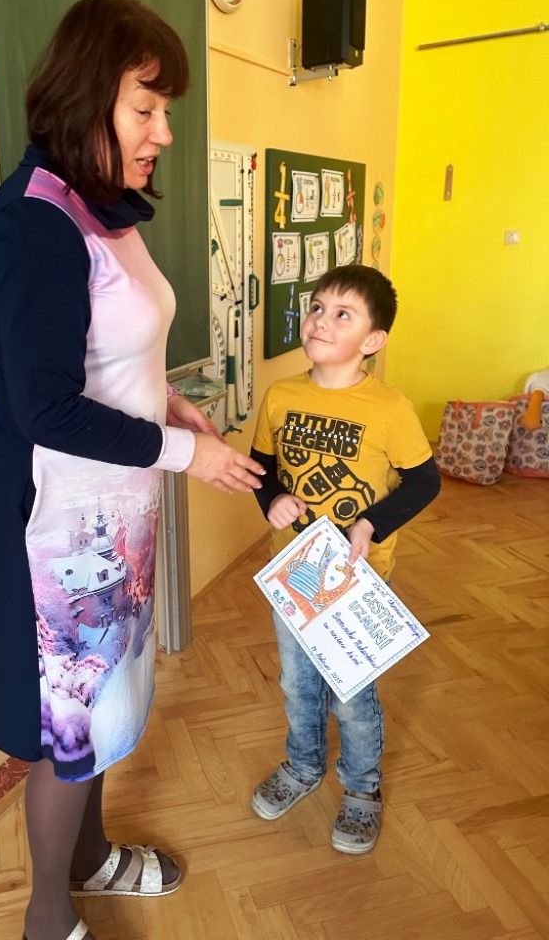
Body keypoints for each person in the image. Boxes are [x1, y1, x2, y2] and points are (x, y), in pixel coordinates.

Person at [0, 0, 263, 940]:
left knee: (105, 702)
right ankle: (47, 917)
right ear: (88, 97)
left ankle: (91, 858)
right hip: (55, 521)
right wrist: (188, 451)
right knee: (71, 721)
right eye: (146, 108)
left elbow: (109, 354)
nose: (164, 133)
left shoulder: (101, 211)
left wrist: (168, 401)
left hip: (115, 509)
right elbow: (46, 406)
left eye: (165, 110)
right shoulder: (33, 226)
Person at [249, 264, 440, 854]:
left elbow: (424, 481)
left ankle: (361, 787)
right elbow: (263, 469)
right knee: (296, 683)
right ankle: (303, 765)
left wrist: (371, 523)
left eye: (342, 314)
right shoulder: (281, 395)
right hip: (294, 574)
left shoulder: (390, 407)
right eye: (316, 307)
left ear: (372, 340)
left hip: (359, 579)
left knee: (352, 696)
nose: (321, 321)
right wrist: (272, 499)